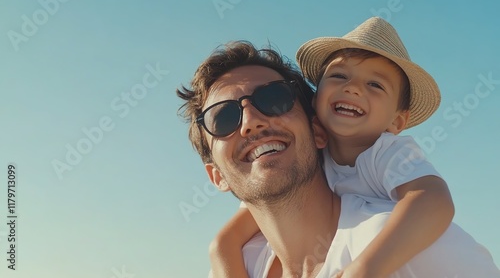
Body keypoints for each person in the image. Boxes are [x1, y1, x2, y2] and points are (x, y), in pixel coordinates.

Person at [176, 39, 500, 277]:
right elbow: (225, 240)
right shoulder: (244, 263)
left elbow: (431, 199)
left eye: (273, 98)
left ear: (319, 132)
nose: (251, 121)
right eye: (222, 118)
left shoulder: (412, 245)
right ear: (216, 175)